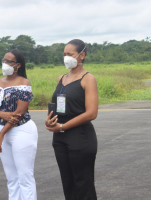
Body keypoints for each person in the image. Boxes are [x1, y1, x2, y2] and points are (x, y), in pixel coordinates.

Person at [45, 39, 98, 200]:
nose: (66, 57)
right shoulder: (61, 78)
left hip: (80, 137)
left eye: (70, 54)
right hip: (60, 137)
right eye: (64, 54)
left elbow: (91, 113)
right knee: (68, 183)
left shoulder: (88, 79)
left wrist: (63, 126)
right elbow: (56, 106)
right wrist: (49, 121)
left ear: (82, 55)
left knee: (83, 183)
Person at [0, 49, 38, 200]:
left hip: (21, 131)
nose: (5, 63)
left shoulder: (24, 83)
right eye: (4, 60)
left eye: (9, 61)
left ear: (17, 65)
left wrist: (2, 134)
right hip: (3, 129)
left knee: (25, 177)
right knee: (11, 178)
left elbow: (19, 114)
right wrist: (3, 115)